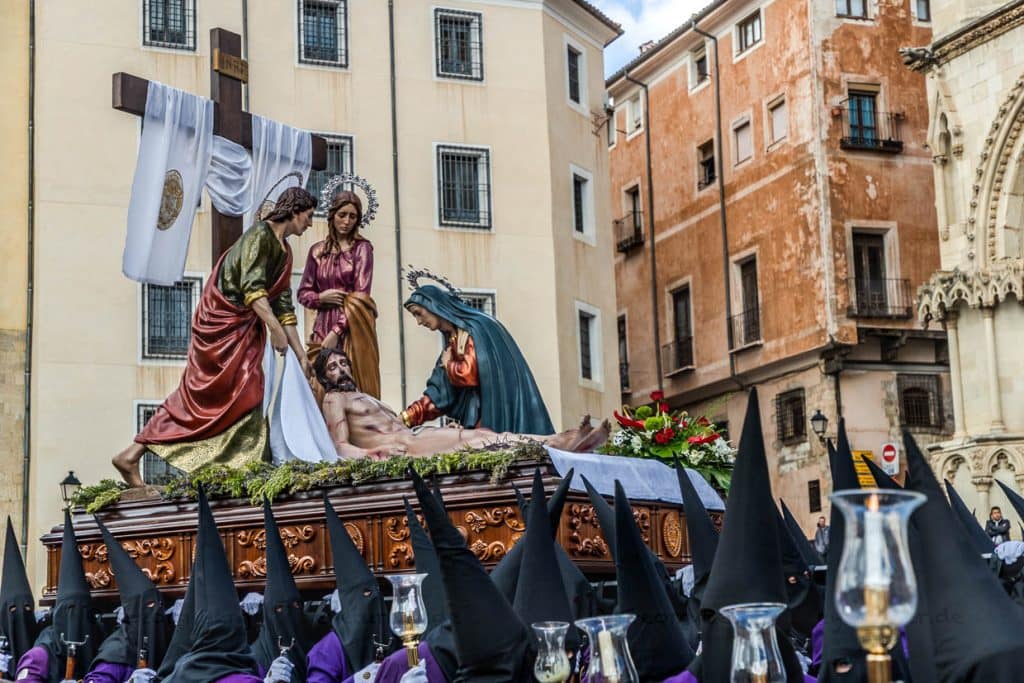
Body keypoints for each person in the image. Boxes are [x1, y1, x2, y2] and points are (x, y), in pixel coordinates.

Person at [113, 187, 318, 487]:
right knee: (199, 396)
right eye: (309, 216)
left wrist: (301, 355)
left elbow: (283, 304)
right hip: (221, 326)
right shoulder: (259, 236)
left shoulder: (284, 253)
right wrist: (274, 329)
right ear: (294, 210)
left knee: (250, 391)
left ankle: (243, 467)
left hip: (245, 329)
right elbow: (253, 289)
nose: (311, 223)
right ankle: (132, 454)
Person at [313, 348, 603, 460]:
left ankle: (557, 440)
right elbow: (339, 445)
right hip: (408, 448)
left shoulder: (369, 398)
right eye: (333, 367)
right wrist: (373, 453)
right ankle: (558, 443)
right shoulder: (333, 399)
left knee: (486, 435)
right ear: (324, 377)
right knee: (482, 443)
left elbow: (397, 424)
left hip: (415, 437)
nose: (342, 369)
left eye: (344, 363)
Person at [401, 278, 554, 435]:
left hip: (497, 414)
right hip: (478, 421)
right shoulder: (452, 346)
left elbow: (469, 374)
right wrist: (406, 418)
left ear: (433, 305)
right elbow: (439, 394)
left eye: (418, 314)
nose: (419, 322)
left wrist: (449, 365)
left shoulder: (477, 328)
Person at [297, 189, 381, 399]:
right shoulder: (317, 251)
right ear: (332, 215)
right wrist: (320, 298)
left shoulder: (362, 249)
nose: (346, 221)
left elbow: (360, 296)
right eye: (342, 215)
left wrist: (336, 331)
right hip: (322, 326)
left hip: (352, 327)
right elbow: (303, 293)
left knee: (351, 385)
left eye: (353, 217)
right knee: (319, 386)